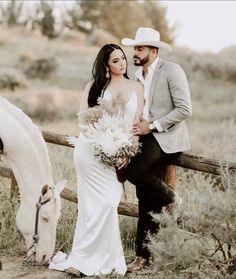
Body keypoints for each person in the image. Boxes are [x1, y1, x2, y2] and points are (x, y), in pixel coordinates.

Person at [49, 44, 144, 277]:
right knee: (90, 207)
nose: (122, 63)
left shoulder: (137, 87)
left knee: (109, 201)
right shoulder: (94, 87)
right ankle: (81, 258)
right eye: (115, 60)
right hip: (91, 150)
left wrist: (125, 149)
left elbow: (137, 122)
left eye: (123, 58)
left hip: (120, 149)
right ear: (105, 65)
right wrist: (103, 142)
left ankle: (106, 259)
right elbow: (84, 121)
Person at [121, 27, 192, 272]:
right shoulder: (136, 77)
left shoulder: (172, 70)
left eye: (139, 49)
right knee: (144, 200)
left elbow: (184, 109)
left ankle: (173, 198)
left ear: (153, 50)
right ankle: (143, 257)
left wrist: (151, 126)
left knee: (134, 172)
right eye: (134, 49)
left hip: (165, 137)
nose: (135, 54)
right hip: (143, 138)